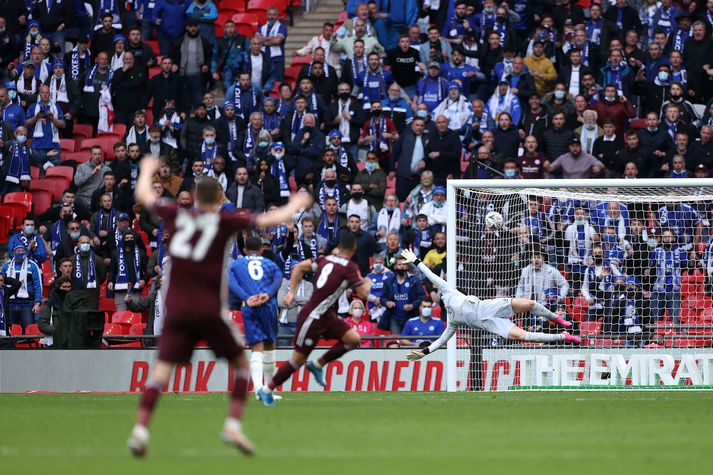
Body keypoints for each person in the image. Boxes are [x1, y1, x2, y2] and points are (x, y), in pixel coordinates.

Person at [128, 158, 312, 457]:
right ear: (219, 200)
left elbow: (146, 196)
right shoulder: (224, 220)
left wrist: (147, 169)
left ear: (195, 197)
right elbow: (265, 222)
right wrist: (295, 204)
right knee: (241, 365)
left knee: (161, 372)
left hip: (177, 307)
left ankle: (140, 428)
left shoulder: (175, 214)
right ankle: (233, 425)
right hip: (207, 308)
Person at [401, 248, 580, 362]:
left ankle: (556, 319)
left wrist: (416, 261)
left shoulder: (449, 291)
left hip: (487, 307)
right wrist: (424, 352)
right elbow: (441, 340)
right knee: (525, 337)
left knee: (529, 303)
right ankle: (564, 337)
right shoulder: (452, 320)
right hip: (490, 324)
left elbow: (432, 276)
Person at [257, 232, 373, 405]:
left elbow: (298, 268)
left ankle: (318, 364)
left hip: (326, 314)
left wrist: (292, 292)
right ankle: (266, 390)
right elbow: (363, 293)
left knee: (353, 339)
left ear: (339, 247)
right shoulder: (350, 267)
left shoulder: (324, 259)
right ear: (354, 249)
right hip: (313, 316)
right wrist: (367, 282)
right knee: (297, 360)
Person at [228, 236, 282, 394]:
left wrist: (246, 298)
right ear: (261, 250)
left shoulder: (236, 264)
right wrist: (268, 293)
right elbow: (278, 278)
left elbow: (231, 283)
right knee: (270, 345)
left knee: (256, 348)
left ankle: (258, 388)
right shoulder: (269, 263)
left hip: (250, 307)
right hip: (269, 305)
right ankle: (270, 389)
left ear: (244, 251)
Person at [1, 245, 43, 330]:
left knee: (28, 331)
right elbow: (1, 284)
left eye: (23, 251)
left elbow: (38, 285)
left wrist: (38, 302)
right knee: (10, 331)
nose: (21, 253)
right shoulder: (6, 266)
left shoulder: (33, 266)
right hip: (10, 304)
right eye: (18, 251)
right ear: (13, 253)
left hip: (27, 304)